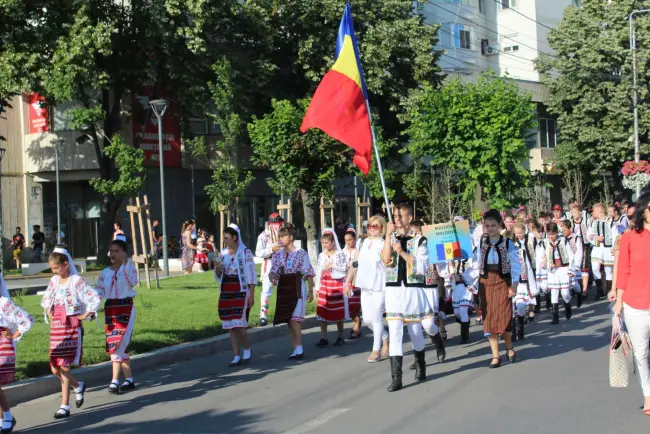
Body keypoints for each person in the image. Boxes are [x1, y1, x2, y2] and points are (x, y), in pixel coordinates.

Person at [381, 203, 445, 392]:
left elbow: (422, 268)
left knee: (416, 332)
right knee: (395, 333)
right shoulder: (390, 238)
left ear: (409, 218)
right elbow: (385, 260)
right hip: (394, 291)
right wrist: (387, 237)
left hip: (413, 290)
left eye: (400, 216)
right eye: (394, 215)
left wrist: (401, 252)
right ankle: (396, 378)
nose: (397, 219)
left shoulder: (420, 241)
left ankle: (421, 364)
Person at [40, 247, 101, 419]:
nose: (55, 271)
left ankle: (65, 405)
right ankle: (78, 385)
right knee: (54, 367)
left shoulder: (76, 281)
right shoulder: (54, 280)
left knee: (65, 366)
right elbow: (46, 298)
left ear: (65, 264)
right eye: (52, 269)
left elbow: (94, 297)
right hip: (57, 327)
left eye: (57, 268)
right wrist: (49, 310)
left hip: (71, 326)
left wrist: (86, 314)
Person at [468, 209, 521, 369]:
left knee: (503, 318)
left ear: (500, 225)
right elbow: (476, 263)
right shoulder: (481, 243)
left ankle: (509, 347)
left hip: (502, 281)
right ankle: (495, 356)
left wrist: (514, 284)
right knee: (489, 319)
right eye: (487, 225)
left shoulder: (507, 243)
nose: (490, 228)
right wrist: (471, 281)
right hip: (486, 283)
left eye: (493, 225)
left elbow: (517, 265)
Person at [613, 192, 650, 415]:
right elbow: (624, 270)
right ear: (643, 210)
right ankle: (648, 395)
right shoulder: (629, 237)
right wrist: (618, 301)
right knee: (641, 353)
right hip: (635, 303)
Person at [96, 235, 138, 394]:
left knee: (118, 345)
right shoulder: (105, 272)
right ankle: (129, 379)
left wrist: (125, 265)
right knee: (116, 343)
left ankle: (114, 381)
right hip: (111, 309)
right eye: (111, 250)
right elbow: (99, 291)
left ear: (124, 253)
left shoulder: (129, 268)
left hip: (125, 307)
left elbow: (132, 282)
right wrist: (91, 307)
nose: (113, 254)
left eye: (117, 251)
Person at [344, 215, 389, 362]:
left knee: (376, 317)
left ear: (382, 228)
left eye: (375, 226)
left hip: (379, 284)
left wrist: (389, 237)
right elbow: (355, 263)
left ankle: (375, 350)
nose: (371, 228)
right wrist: (347, 281)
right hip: (365, 284)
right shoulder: (362, 241)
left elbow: (388, 261)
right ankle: (385, 336)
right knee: (368, 319)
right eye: (369, 226)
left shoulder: (384, 242)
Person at [269, 223, 315, 360]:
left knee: (295, 320)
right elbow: (274, 271)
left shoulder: (301, 253)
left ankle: (300, 348)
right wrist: (272, 277)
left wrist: (311, 290)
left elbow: (308, 273)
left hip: (296, 285)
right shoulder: (277, 255)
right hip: (284, 286)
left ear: (291, 237)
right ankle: (294, 348)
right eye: (279, 237)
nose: (281, 239)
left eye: (283, 236)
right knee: (288, 320)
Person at [215, 225, 255, 367]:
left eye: (227, 237)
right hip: (227, 290)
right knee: (230, 325)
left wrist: (251, 294)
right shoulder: (223, 254)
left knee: (240, 324)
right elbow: (219, 275)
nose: (224, 240)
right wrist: (217, 269)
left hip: (241, 289)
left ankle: (247, 348)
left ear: (234, 237)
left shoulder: (245, 252)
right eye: (223, 237)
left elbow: (251, 274)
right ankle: (236, 355)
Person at [0, 272, 34, 434]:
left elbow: (27, 319)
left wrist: (13, 335)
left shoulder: (4, 303)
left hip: (2, 348)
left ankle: (7, 416)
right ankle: (4, 419)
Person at [314, 229, 349, 347]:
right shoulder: (321, 255)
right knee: (322, 310)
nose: (324, 245)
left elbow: (345, 268)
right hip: (325, 284)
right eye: (323, 243)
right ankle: (324, 337)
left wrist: (333, 266)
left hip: (336, 284)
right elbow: (318, 270)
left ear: (332, 242)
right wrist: (316, 287)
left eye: (326, 243)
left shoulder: (339, 254)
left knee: (337, 311)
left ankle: (340, 336)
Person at [255, 213, 284, 327]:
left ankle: (283, 313)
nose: (277, 226)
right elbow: (258, 252)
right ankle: (263, 315)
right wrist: (271, 249)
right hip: (269, 266)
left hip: (283, 266)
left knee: (284, 290)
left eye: (278, 223)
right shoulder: (263, 236)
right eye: (275, 223)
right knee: (266, 292)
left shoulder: (283, 234)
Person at [545, 222, 575, 324]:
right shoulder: (545, 242)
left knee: (565, 293)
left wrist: (571, 269)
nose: (550, 236)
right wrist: (548, 263)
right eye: (549, 234)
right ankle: (555, 316)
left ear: (557, 232)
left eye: (552, 234)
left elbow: (571, 255)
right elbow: (543, 255)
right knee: (554, 292)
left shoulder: (564, 241)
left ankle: (568, 305)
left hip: (563, 269)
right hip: (553, 271)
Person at [513, 223, 538, 341]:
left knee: (522, 306)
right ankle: (516, 329)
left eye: (520, 232)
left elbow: (529, 266)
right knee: (516, 307)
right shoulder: (513, 246)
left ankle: (520, 326)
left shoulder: (529, 241)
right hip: (514, 283)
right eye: (516, 233)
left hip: (524, 280)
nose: (518, 235)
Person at [588, 203, 618, 301]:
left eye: (594, 211)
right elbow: (589, 236)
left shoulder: (611, 222)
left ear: (600, 211)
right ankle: (599, 290)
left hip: (608, 248)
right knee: (595, 268)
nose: (593, 213)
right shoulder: (593, 222)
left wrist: (614, 248)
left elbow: (615, 236)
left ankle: (609, 291)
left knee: (608, 270)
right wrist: (596, 239)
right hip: (597, 248)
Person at [342, 228, 362, 339]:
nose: (348, 242)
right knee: (348, 305)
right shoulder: (343, 252)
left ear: (354, 239)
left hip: (356, 280)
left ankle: (356, 328)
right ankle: (357, 323)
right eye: (346, 240)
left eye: (350, 239)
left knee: (355, 305)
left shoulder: (358, 252)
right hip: (345, 279)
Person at [559, 220, 584, 308]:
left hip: (574, 264)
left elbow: (579, 253)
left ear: (570, 228)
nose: (563, 232)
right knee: (566, 284)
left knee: (575, 284)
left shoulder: (576, 238)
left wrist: (576, 265)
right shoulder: (561, 239)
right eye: (562, 230)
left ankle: (579, 294)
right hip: (565, 264)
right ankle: (567, 304)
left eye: (565, 230)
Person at [570, 204, 591, 300]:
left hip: (584, 245)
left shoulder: (585, 221)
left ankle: (585, 289)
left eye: (575, 212)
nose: (574, 214)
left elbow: (590, 232)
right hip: (574, 246)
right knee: (574, 266)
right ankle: (576, 287)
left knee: (584, 267)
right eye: (572, 212)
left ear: (580, 212)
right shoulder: (570, 223)